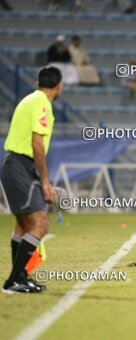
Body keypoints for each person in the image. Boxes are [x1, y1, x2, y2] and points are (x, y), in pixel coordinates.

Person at [1, 66, 61, 294]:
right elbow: (37, 143)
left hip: (11, 165)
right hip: (21, 166)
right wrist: (45, 181)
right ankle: (14, 280)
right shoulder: (42, 103)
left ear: (38, 82)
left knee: (24, 225)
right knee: (41, 224)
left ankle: (21, 278)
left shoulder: (28, 100)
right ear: (59, 86)